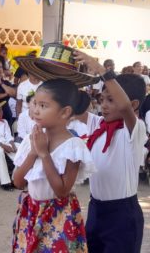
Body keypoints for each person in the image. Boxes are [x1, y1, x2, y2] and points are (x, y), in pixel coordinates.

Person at [74, 52, 147, 253]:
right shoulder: (98, 123)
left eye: (110, 100)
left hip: (123, 216)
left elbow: (123, 107)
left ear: (133, 105)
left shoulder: (134, 130)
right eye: (102, 99)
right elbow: (70, 109)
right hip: (96, 209)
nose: (103, 105)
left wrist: (101, 71)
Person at [12, 79, 95, 252]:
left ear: (65, 112)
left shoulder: (73, 146)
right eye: (35, 103)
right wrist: (33, 153)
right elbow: (18, 182)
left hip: (58, 214)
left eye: (43, 105)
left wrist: (44, 154)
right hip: (31, 210)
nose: (35, 110)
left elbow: (62, 191)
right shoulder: (31, 139)